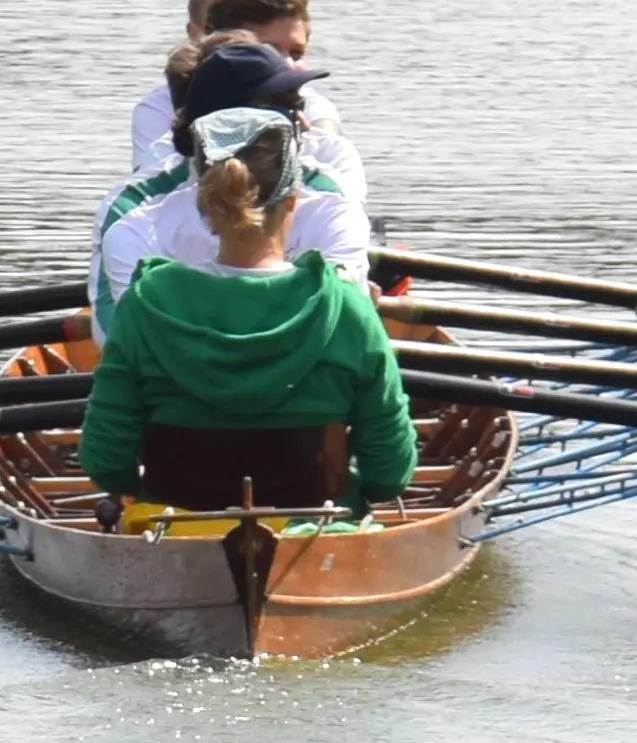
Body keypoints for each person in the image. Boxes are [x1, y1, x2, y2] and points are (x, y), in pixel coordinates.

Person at [73, 104, 420, 514]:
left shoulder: (145, 304)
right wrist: (364, 485)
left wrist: (133, 487)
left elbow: (104, 462)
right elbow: (391, 474)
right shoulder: (346, 306)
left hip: (175, 521)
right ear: (293, 201)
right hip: (318, 523)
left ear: (204, 200)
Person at [93, 34, 372, 318]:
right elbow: (117, 336)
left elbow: (342, 323)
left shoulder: (330, 200)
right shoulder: (132, 212)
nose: (305, 124)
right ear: (226, 125)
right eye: (286, 110)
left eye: (299, 107)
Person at [123, 0, 367, 206]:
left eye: (296, 53)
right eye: (267, 50)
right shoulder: (159, 115)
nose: (285, 65)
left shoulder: (323, 134)